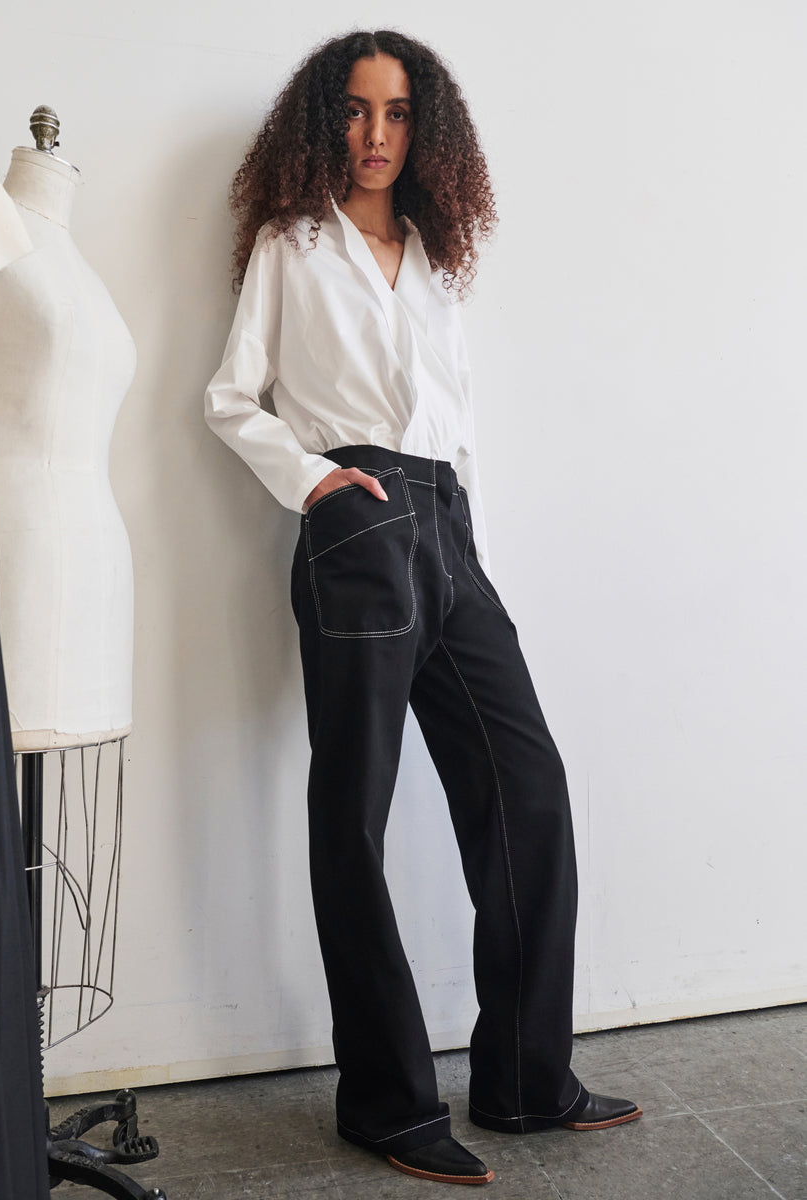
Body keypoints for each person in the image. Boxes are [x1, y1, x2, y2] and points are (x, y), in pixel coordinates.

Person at [204, 29, 641, 1187]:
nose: (377, 136)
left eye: (398, 115)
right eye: (355, 112)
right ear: (323, 121)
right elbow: (229, 397)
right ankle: (388, 1104)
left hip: (448, 533)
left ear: (426, 128)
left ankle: (524, 1079)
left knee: (525, 783)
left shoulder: (441, 258)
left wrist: (471, 553)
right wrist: (317, 483)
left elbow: (457, 424)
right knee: (354, 811)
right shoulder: (292, 245)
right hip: (356, 525)